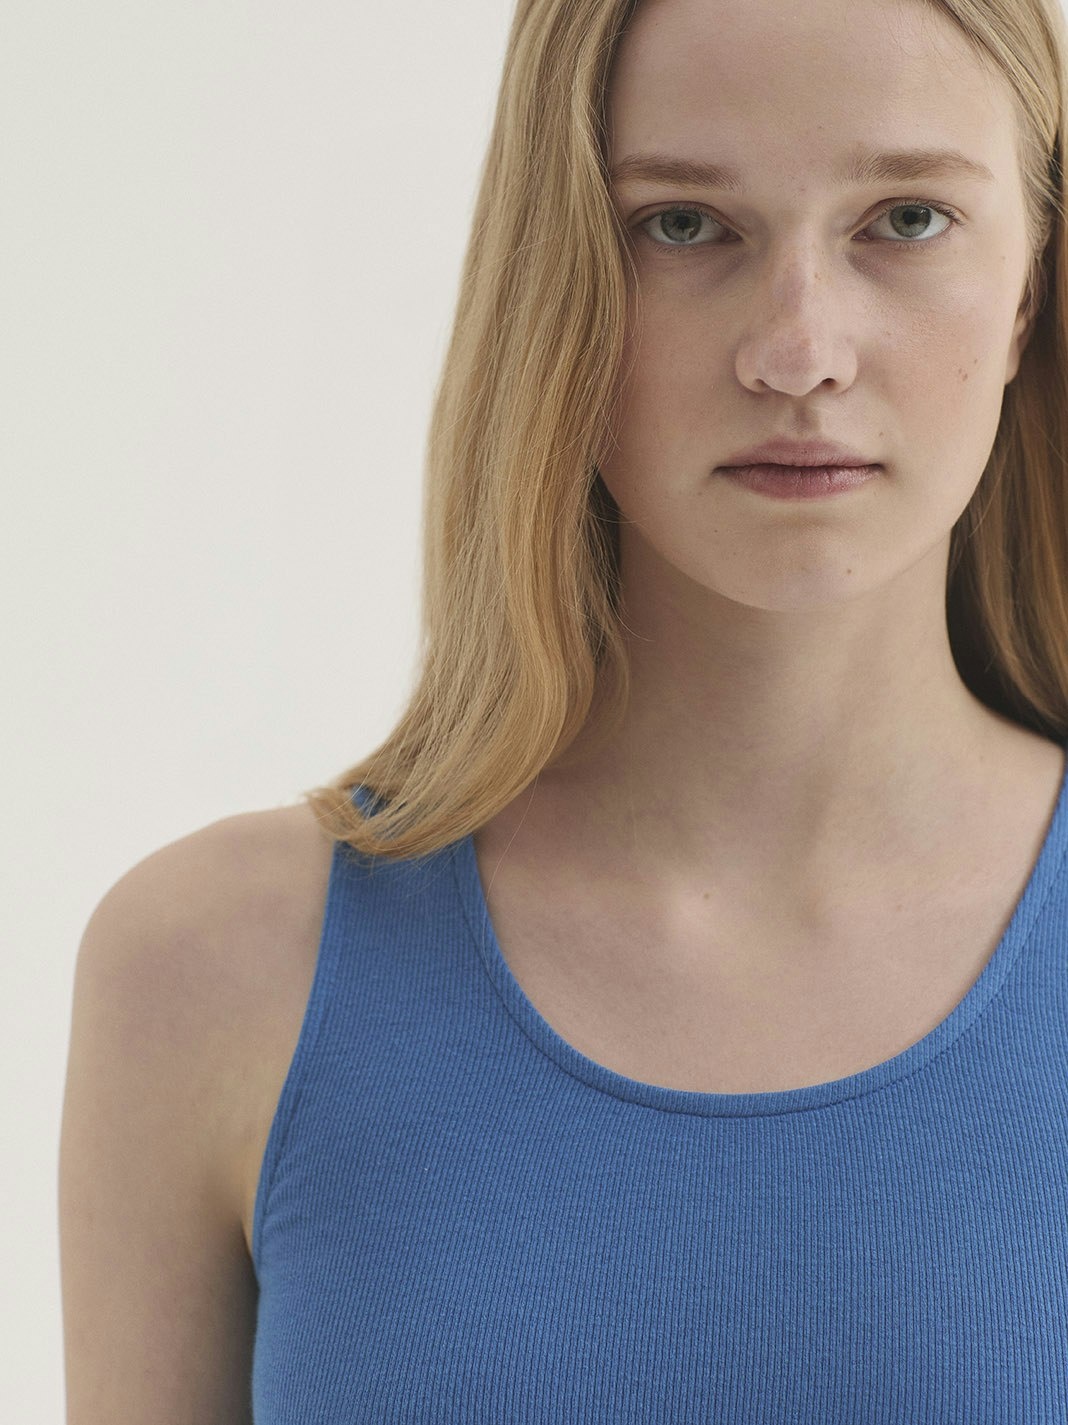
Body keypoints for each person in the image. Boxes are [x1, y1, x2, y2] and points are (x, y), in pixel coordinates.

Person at [60, 0, 1068, 1418]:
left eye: (906, 221)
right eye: (681, 226)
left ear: (1029, 288)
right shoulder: (216, 974)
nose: (799, 353)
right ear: (554, 280)